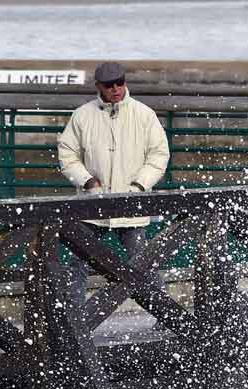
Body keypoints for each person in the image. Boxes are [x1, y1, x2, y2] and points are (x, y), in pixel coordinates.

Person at [58, 61, 170, 308]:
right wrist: (87, 181)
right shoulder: (81, 116)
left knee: (142, 263)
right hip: (91, 203)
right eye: (110, 85)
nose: (116, 89)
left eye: (120, 83)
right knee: (78, 261)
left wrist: (139, 186)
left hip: (131, 203)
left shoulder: (144, 114)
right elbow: (67, 154)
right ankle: (72, 317)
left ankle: (167, 317)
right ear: (98, 86)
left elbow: (159, 155)